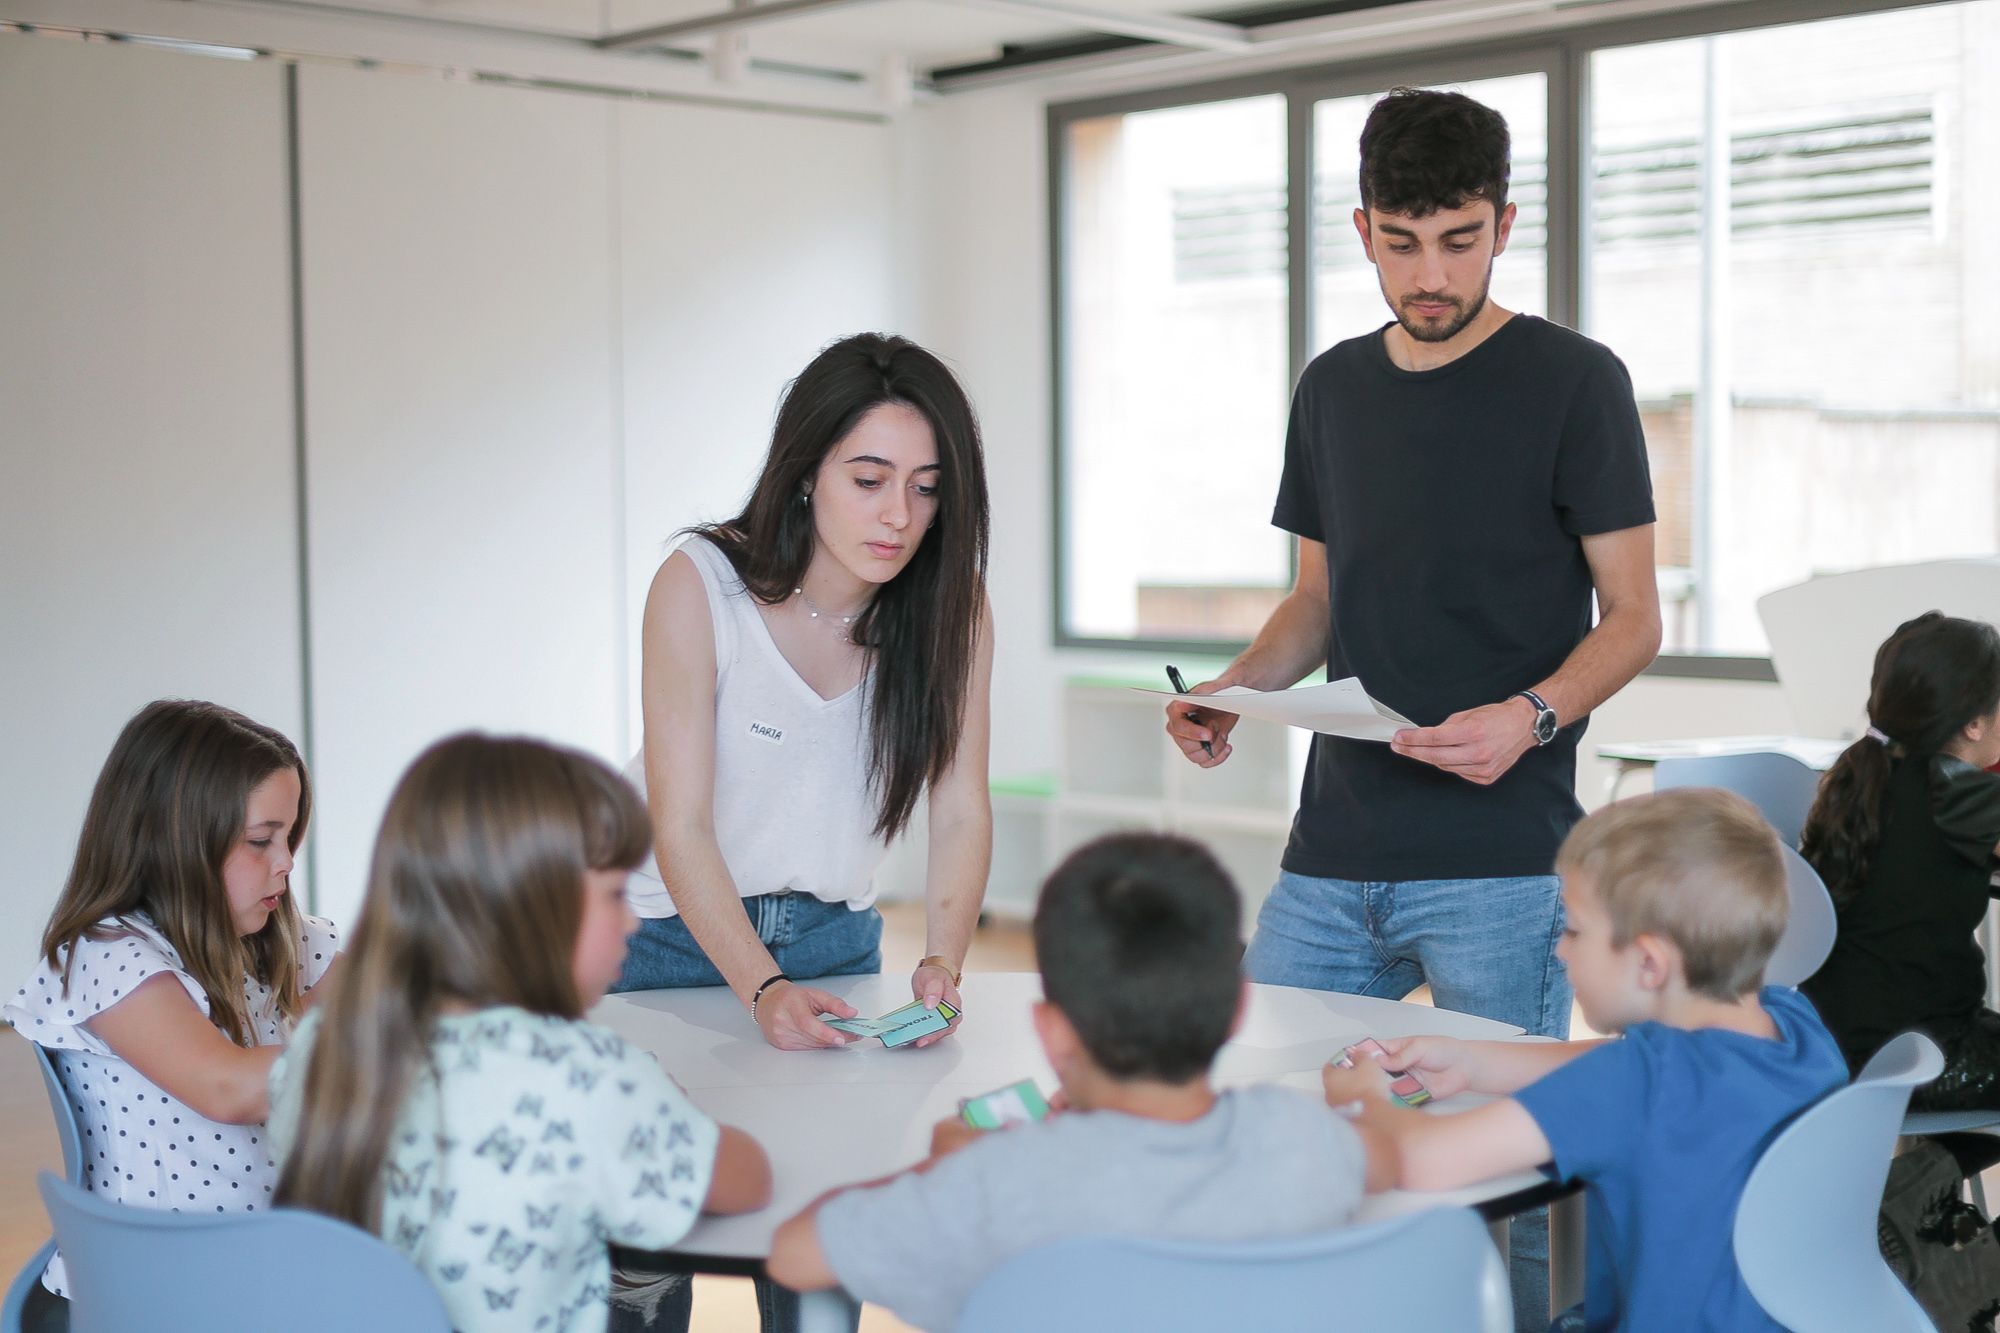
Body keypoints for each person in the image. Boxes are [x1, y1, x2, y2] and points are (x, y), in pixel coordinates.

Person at [1163, 87, 1660, 1326]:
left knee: (1506, 1167)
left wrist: (1530, 716)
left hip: (1499, 857)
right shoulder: (1332, 388)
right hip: (1332, 850)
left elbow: (1637, 618)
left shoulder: (1574, 382)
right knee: (1262, 1113)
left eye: (1456, 240)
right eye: (1400, 241)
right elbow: (1313, 604)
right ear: (1361, 226)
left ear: (1502, 224)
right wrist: (1240, 686)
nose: (1427, 273)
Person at [764, 832, 1386, 1332]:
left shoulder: (989, 1185)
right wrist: (1366, 1101)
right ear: (1237, 1011)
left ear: (1052, 1032)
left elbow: (794, 1252)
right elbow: (1397, 1153)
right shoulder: (1301, 1138)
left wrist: (949, 1161)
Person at [269, 733, 772, 1333]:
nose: (633, 917)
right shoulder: (587, 1077)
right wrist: (668, 1110)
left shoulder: (320, 1045)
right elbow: (747, 1181)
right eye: (614, 893)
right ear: (533, 908)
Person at [1324, 788, 1847, 1332]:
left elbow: (1420, 1160)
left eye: (1575, 930)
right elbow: (1628, 1062)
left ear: (1649, 962)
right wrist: (1473, 1062)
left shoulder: (1632, 1084)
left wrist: (1359, 1095)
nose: (1560, 950)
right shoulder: (1794, 1026)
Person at [616, 332, 993, 1062]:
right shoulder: (701, 586)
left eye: (926, 486)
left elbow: (960, 808)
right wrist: (762, 987)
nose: (899, 516)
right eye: (868, 480)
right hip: (662, 933)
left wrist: (943, 962)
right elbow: (683, 825)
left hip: (836, 939)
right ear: (805, 473)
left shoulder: (956, 610)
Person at [2, 699, 339, 1331]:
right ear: (176, 842)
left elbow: (387, 1002)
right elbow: (228, 1087)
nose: (286, 861)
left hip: (255, 1275)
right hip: (141, 1295)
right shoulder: (105, 954)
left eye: (289, 837)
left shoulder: (281, 937)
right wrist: (377, 1046)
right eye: (262, 840)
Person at [1800, 611, 2000, 1107]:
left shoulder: (1860, 773)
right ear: (1974, 723)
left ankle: (1920, 1183)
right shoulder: (1959, 792)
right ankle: (1916, 1184)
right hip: (1924, 1053)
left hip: (1828, 1038)